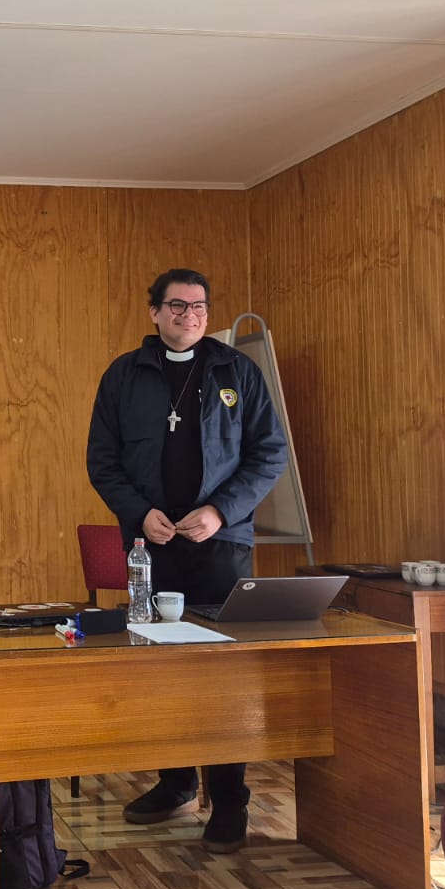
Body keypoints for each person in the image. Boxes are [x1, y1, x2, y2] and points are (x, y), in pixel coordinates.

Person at [86, 268, 289, 853]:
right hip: (151, 546)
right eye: (177, 306)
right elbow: (102, 460)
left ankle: (229, 801)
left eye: (199, 307)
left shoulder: (236, 371)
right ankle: (175, 782)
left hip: (219, 545)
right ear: (154, 312)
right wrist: (138, 512)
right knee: (160, 670)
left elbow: (269, 453)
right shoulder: (123, 376)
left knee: (224, 675)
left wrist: (222, 511)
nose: (190, 316)